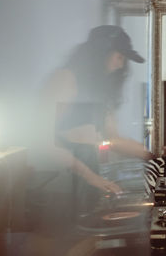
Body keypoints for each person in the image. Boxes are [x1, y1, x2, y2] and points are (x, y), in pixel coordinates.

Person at [42, 25, 154, 214]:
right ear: (102, 51)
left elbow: (113, 139)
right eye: (119, 56)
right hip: (63, 178)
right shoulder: (65, 78)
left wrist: (154, 155)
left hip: (87, 171)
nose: (121, 65)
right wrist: (92, 177)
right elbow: (45, 142)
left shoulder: (100, 94)